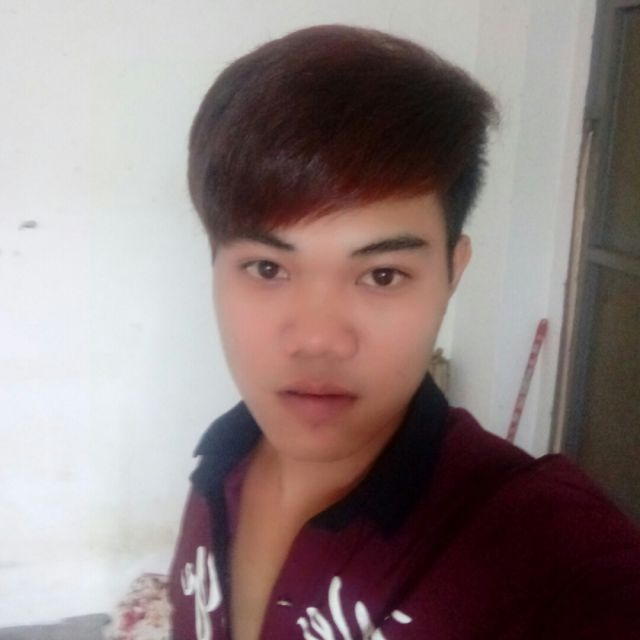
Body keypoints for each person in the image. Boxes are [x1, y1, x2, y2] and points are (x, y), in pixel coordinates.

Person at [168, 25, 640, 640]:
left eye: (382, 275)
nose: (318, 340)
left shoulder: (543, 548)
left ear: (452, 274)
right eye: (267, 268)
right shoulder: (218, 463)